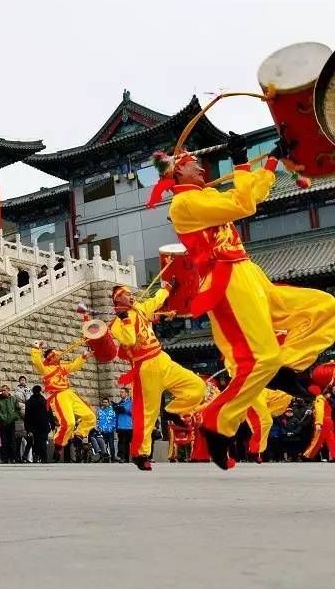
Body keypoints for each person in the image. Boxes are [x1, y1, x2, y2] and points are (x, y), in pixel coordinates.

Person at [151, 141, 335, 469]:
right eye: (194, 163)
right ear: (177, 169)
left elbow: (253, 196)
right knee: (260, 358)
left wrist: (272, 160)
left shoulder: (205, 197)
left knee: (324, 306)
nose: (202, 168)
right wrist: (239, 163)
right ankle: (218, 422)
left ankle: (289, 366)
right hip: (228, 277)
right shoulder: (184, 204)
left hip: (249, 271)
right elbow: (243, 203)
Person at [110, 283, 207, 470]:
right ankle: (141, 453)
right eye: (127, 294)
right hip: (146, 366)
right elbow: (129, 340)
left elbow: (156, 300)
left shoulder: (140, 308)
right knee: (149, 413)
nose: (131, 296)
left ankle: (174, 410)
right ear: (117, 299)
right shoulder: (116, 324)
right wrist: (125, 320)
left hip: (162, 358)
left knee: (197, 386)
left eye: (131, 294)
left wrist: (167, 288)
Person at [29, 342, 96, 461]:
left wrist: (84, 356)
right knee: (69, 423)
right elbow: (37, 362)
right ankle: (59, 444)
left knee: (90, 416)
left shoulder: (62, 367)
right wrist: (36, 348)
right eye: (54, 354)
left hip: (70, 393)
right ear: (50, 357)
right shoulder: (46, 369)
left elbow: (74, 366)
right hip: (59, 396)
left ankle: (79, 435)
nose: (58, 355)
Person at [0, 385, 21, 463]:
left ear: (8, 390)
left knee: (13, 441)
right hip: (3, 423)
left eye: (5, 390)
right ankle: (5, 458)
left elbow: (18, 409)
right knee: (4, 441)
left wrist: (15, 416)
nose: (3, 391)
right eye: (2, 390)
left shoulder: (13, 399)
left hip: (12, 422)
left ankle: (13, 458)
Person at [303, 388, 335, 461]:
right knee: (330, 439)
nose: (330, 395)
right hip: (326, 421)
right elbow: (320, 412)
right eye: (329, 393)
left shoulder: (321, 400)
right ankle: (334, 455)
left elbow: (319, 412)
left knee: (318, 439)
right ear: (326, 394)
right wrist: (318, 422)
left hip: (324, 421)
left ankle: (308, 456)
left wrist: (318, 422)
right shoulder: (321, 400)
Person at [22, 385, 50, 463]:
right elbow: (49, 413)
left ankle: (36, 456)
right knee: (43, 442)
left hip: (34, 426)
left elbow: (27, 416)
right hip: (44, 425)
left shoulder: (29, 402)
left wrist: (27, 428)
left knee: (36, 442)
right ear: (40, 391)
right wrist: (52, 423)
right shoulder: (44, 401)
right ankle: (44, 458)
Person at [114, 388, 133, 463]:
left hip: (128, 426)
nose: (121, 393)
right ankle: (122, 458)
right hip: (120, 426)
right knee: (121, 442)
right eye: (120, 392)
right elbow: (117, 415)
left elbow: (133, 412)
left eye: (122, 392)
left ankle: (125, 458)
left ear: (127, 393)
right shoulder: (120, 403)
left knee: (126, 442)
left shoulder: (130, 402)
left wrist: (124, 409)